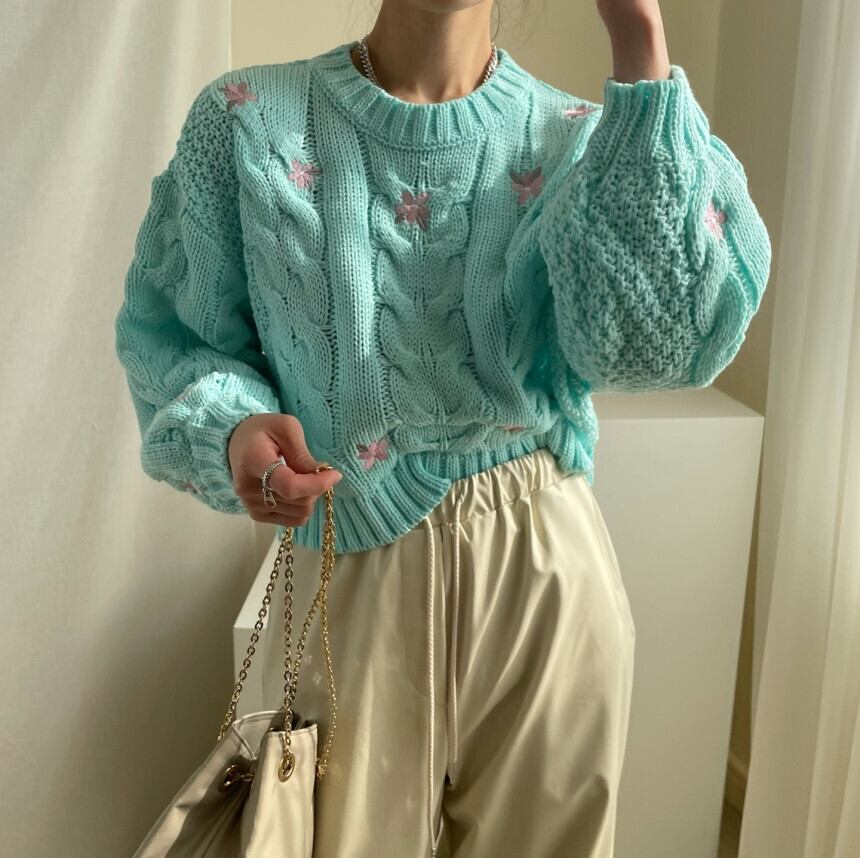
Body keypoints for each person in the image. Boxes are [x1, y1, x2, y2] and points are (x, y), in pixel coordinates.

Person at [114, 0, 772, 854]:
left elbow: (665, 348)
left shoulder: (581, 138)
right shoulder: (247, 119)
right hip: (348, 565)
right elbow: (173, 339)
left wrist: (639, 40)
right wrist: (235, 431)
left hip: (542, 571)